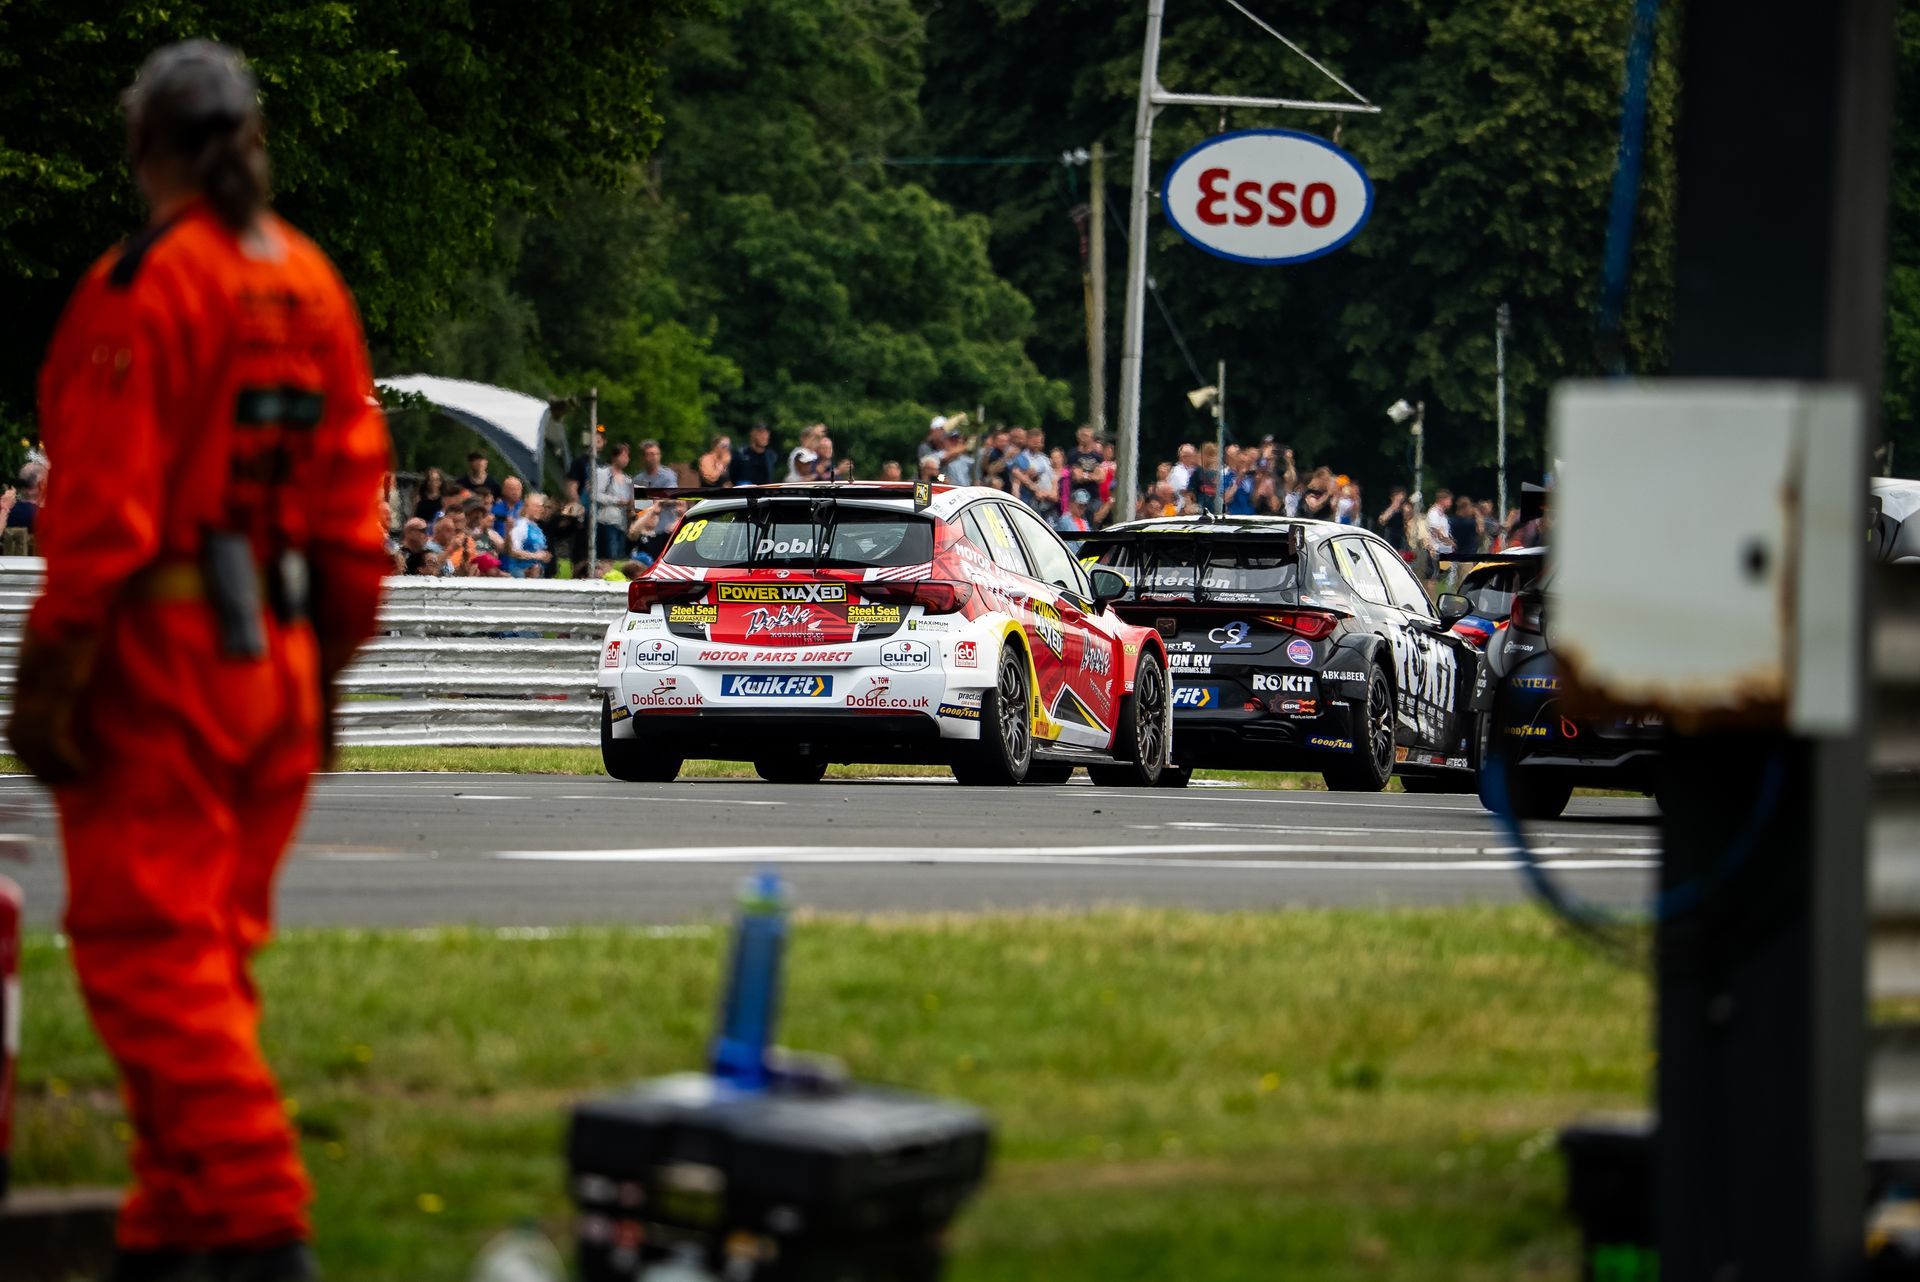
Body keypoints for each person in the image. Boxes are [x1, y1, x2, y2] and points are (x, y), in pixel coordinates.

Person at [7, 42, 391, 1281]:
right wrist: (323, 676)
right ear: (255, 140)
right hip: (277, 662)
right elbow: (354, 521)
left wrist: (48, 673)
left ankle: (264, 1225)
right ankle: (168, 1239)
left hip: (162, 663)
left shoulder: (143, 286)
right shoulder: (311, 284)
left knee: (148, 964)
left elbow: (104, 514)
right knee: (207, 964)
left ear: (143, 147)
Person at [595, 441, 633, 561]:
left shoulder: (627, 479)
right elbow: (596, 495)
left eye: (627, 456)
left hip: (622, 522)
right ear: (614, 457)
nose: (626, 459)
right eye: (623, 455)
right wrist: (616, 500)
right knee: (609, 555)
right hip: (608, 520)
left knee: (619, 555)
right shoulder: (604, 473)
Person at [507, 493, 553, 578]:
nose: (541, 509)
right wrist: (535, 556)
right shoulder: (521, 525)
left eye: (541, 507)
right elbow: (512, 551)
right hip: (521, 574)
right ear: (527, 507)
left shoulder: (537, 528)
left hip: (537, 573)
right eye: (537, 506)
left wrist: (545, 556)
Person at [730, 421, 777, 487]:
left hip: (765, 492)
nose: (764, 436)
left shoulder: (771, 455)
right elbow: (732, 477)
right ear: (752, 434)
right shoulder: (741, 454)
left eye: (766, 433)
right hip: (745, 492)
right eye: (760, 433)